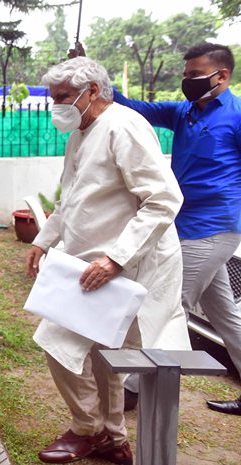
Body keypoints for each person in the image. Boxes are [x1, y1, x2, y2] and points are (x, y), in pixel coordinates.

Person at [27, 57, 190, 464]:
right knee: (104, 357)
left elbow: (163, 199)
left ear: (92, 91)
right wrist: (44, 240)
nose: (56, 106)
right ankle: (114, 439)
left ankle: (88, 429)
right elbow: (72, 198)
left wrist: (115, 260)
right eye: (53, 97)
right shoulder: (81, 134)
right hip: (89, 264)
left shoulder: (125, 126)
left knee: (57, 340)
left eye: (63, 97)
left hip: (124, 266)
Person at [113, 42, 241, 416]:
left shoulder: (235, 116)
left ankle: (132, 390)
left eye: (195, 75)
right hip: (184, 223)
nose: (188, 82)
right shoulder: (185, 111)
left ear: (222, 76)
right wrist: (97, 77)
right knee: (225, 316)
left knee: (168, 303)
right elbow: (135, 107)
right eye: (185, 75)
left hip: (214, 227)